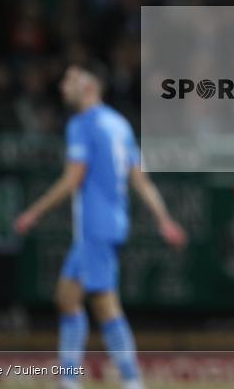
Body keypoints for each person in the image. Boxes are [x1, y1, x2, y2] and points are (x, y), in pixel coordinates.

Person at [15, 61, 187, 389]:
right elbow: (142, 181)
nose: (63, 85)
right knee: (67, 297)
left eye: (71, 79)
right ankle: (70, 379)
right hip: (110, 224)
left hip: (95, 226)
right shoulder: (119, 124)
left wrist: (33, 212)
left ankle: (130, 380)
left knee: (105, 304)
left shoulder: (82, 124)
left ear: (90, 87)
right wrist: (163, 219)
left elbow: (72, 179)